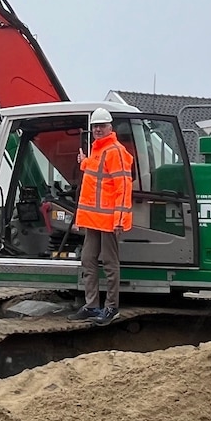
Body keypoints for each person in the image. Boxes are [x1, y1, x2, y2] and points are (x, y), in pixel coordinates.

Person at [67, 107, 133, 326]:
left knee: (110, 263)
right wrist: (84, 162)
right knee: (88, 260)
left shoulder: (115, 151)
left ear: (110, 128)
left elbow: (122, 187)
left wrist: (119, 219)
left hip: (108, 221)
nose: (97, 129)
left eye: (101, 126)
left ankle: (111, 307)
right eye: (95, 126)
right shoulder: (98, 151)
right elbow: (97, 176)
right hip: (93, 220)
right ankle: (92, 305)